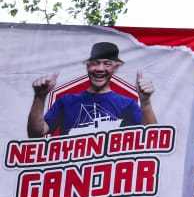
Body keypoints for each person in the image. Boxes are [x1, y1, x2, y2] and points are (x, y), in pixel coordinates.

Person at [26, 41, 157, 137]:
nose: (100, 69)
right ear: (88, 66)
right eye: (95, 63)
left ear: (115, 67)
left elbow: (152, 136)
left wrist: (145, 103)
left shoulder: (127, 104)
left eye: (107, 63)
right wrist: (40, 97)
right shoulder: (65, 102)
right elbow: (36, 134)